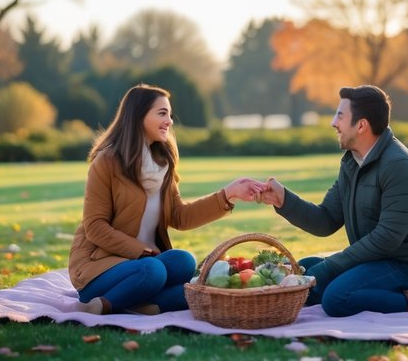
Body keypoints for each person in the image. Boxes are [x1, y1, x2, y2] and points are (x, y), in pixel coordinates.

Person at [254, 85, 408, 316]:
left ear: (362, 125)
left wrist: (330, 267)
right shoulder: (352, 162)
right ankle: (366, 287)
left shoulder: (398, 165)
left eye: (340, 116)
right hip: (377, 259)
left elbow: (386, 239)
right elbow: (326, 220)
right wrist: (283, 199)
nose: (333, 122)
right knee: (306, 269)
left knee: (336, 298)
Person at [68, 84, 263, 315]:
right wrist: (142, 250)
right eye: (162, 113)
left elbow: (180, 216)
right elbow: (95, 227)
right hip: (98, 268)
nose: (169, 121)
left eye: (169, 114)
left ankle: (138, 303)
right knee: (154, 271)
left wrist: (228, 194)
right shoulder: (107, 162)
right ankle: (103, 304)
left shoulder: (162, 164)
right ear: (138, 116)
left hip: (145, 264)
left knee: (185, 262)